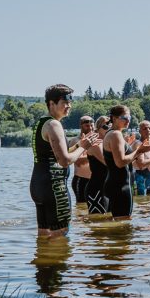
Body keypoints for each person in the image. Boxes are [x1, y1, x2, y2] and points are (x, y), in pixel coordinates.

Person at [30, 84, 96, 236]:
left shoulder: (42, 122)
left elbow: (56, 154)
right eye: (65, 102)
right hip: (54, 188)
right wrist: (83, 147)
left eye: (70, 102)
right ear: (51, 103)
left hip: (38, 186)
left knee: (44, 235)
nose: (69, 106)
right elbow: (64, 161)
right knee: (60, 236)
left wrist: (79, 144)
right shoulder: (54, 124)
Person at [103, 105, 150, 221]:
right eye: (124, 117)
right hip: (120, 186)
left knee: (116, 224)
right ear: (114, 118)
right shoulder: (115, 134)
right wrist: (139, 151)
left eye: (129, 117)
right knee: (123, 225)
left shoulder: (113, 133)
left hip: (116, 183)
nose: (128, 120)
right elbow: (120, 162)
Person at [82, 116, 111, 214]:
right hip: (96, 188)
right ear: (98, 129)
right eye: (105, 126)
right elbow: (109, 164)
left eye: (110, 126)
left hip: (107, 187)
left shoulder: (107, 143)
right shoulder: (95, 145)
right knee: (98, 220)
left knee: (110, 219)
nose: (109, 128)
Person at [72, 115, 95, 205]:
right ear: (81, 126)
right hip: (81, 180)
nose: (90, 128)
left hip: (95, 180)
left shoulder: (98, 140)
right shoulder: (76, 141)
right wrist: (94, 155)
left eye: (92, 125)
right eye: (87, 126)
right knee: (82, 208)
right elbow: (77, 162)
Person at [132, 120, 150, 196]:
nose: (148, 130)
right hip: (139, 179)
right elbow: (141, 164)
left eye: (149, 128)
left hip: (149, 180)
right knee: (140, 200)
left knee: (149, 201)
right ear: (139, 131)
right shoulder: (138, 144)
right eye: (145, 129)